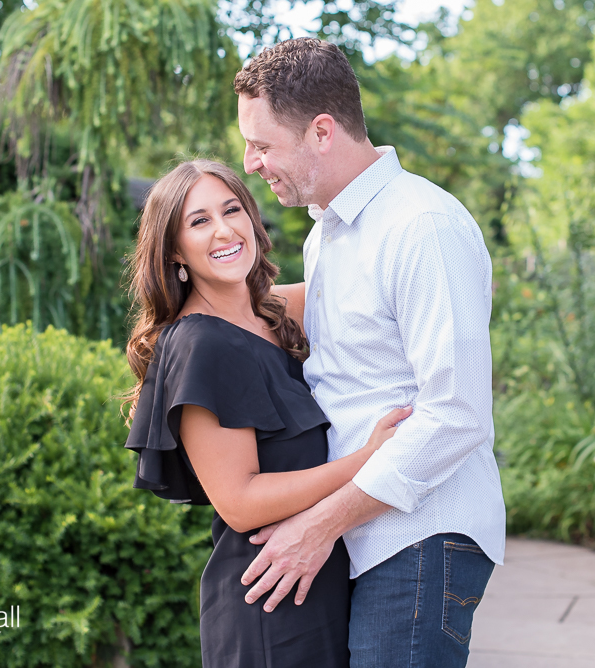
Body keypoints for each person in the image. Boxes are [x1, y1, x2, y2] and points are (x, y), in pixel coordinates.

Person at [233, 37, 507, 667]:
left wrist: (323, 522)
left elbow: (456, 416)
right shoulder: (330, 231)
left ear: (322, 132)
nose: (252, 162)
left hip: (419, 534)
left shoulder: (421, 226)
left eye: (263, 143)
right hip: (367, 534)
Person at [123, 159, 411, 667]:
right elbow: (240, 502)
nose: (224, 230)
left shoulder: (274, 315)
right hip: (269, 604)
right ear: (174, 251)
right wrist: (367, 459)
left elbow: (375, 287)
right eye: (199, 221)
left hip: (321, 583)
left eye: (232, 209)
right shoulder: (200, 343)